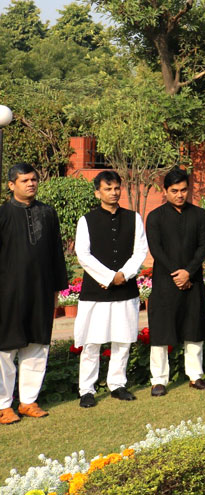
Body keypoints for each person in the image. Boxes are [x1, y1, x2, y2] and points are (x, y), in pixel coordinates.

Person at [0, 163, 68, 424]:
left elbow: (56, 254)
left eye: (34, 179)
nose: (31, 183)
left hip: (40, 291)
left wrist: (57, 289)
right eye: (24, 180)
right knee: (5, 349)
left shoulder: (48, 213)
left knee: (37, 345)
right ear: (11, 185)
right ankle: (4, 405)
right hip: (8, 293)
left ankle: (28, 401)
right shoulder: (3, 214)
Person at [75, 170, 149, 407]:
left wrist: (123, 275)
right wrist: (108, 277)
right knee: (91, 342)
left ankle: (117, 384)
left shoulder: (133, 218)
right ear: (98, 192)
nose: (114, 192)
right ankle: (87, 389)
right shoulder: (86, 220)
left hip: (125, 289)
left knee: (123, 340)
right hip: (96, 291)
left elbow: (140, 251)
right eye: (108, 189)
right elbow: (83, 255)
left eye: (117, 188)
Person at [146, 168, 205, 395]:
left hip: (192, 282)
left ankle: (195, 376)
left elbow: (204, 247)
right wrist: (177, 273)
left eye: (184, 190)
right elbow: (156, 249)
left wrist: (189, 272)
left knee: (194, 328)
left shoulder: (200, 215)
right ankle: (159, 380)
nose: (180, 195)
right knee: (161, 332)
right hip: (166, 283)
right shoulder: (155, 217)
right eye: (174, 190)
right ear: (165, 191)